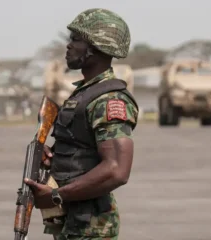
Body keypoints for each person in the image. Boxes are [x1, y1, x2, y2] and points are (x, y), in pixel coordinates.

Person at [24, 8, 139, 240]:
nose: (68, 45)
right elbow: (84, 150)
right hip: (75, 219)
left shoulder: (109, 99)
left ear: (96, 47)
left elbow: (117, 170)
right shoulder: (86, 94)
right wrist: (57, 157)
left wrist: (56, 196)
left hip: (92, 226)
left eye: (76, 39)